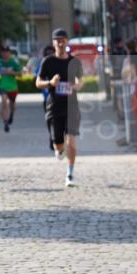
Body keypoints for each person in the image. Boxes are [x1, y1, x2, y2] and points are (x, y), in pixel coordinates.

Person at [35, 28, 84, 188]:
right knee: (59, 145)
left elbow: (81, 81)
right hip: (54, 106)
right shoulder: (48, 62)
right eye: (57, 40)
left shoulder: (74, 62)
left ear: (67, 41)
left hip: (71, 107)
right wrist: (50, 83)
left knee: (71, 140)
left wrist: (77, 85)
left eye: (63, 39)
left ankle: (70, 174)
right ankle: (58, 148)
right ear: (53, 42)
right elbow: (38, 82)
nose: (60, 42)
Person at [0, 44, 21, 132]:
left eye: (6, 52)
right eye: (3, 52)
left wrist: (11, 72)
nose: (5, 54)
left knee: (12, 105)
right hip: (2, 86)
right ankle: (5, 123)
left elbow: (20, 74)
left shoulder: (14, 62)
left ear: (9, 53)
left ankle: (11, 114)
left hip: (13, 87)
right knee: (4, 102)